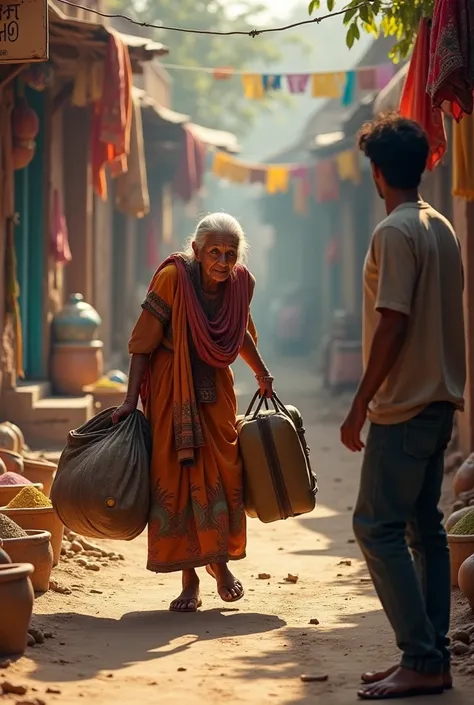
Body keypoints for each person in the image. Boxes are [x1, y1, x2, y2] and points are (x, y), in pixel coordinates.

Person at [340, 114, 466, 700]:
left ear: (377, 171)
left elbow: (393, 322)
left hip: (405, 404)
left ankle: (419, 657)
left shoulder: (394, 231)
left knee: (377, 524)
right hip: (440, 399)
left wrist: (360, 402)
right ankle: (430, 657)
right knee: (424, 529)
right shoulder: (440, 226)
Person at [112, 213, 274, 613]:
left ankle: (218, 562)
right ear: (197, 251)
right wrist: (131, 400)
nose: (222, 261)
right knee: (178, 476)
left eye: (230, 254)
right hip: (171, 387)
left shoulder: (238, 286)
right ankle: (193, 580)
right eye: (214, 252)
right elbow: (141, 344)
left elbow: (241, 335)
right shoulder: (172, 279)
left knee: (224, 470)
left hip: (216, 389)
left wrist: (262, 373)